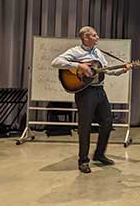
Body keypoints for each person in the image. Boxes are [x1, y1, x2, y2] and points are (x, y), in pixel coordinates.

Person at [51, 26, 131, 173]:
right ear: (86, 38)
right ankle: (83, 160)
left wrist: (123, 69)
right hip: (85, 93)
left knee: (107, 122)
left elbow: (107, 70)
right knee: (85, 127)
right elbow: (55, 62)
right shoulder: (75, 51)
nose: (97, 37)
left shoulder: (98, 52)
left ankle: (99, 154)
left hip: (100, 91)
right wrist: (79, 65)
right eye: (94, 35)